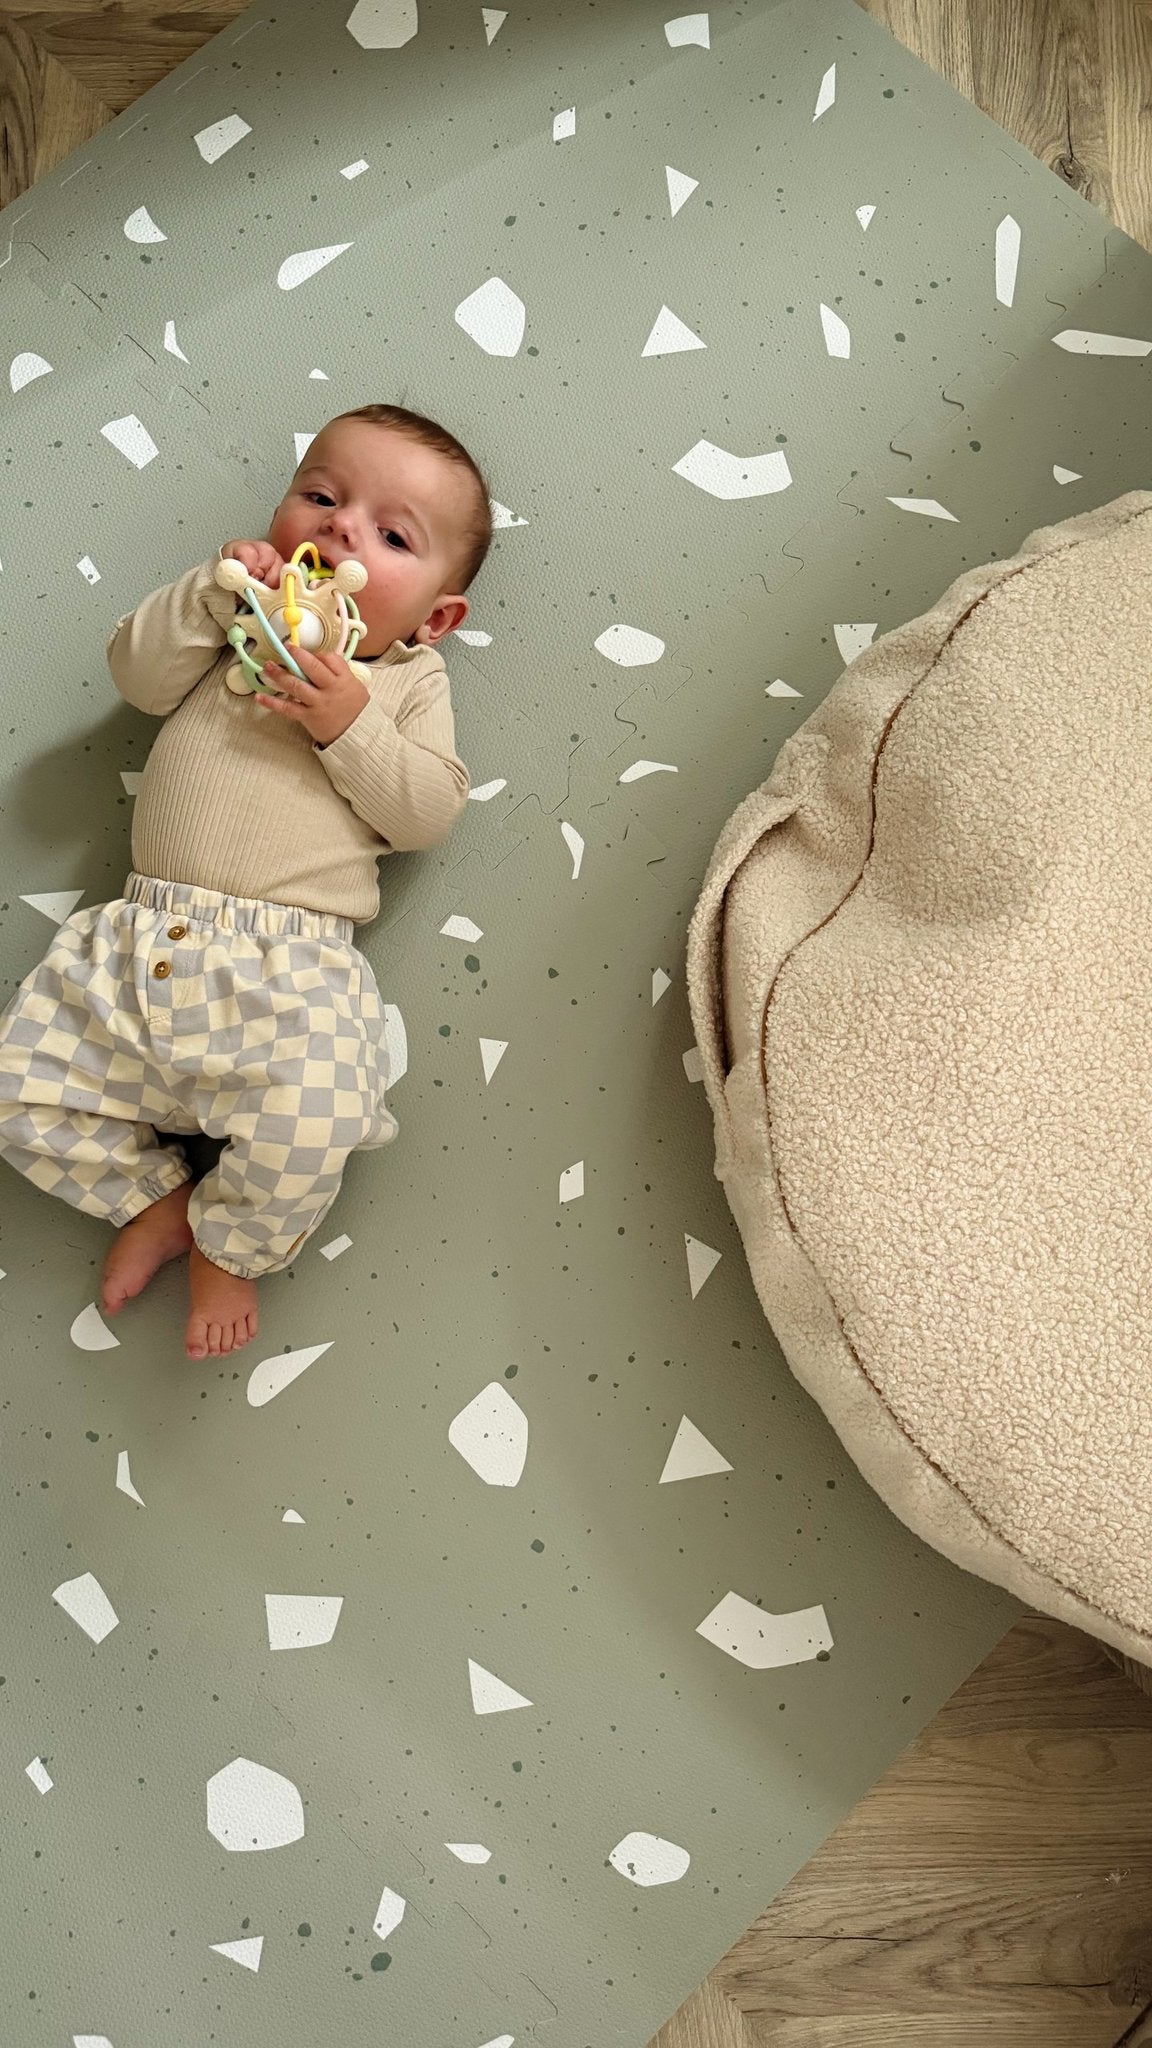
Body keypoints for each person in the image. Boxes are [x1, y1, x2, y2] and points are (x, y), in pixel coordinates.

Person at [0, 404, 491, 1361]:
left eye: (393, 537)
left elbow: (428, 812)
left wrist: (347, 720)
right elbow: (137, 676)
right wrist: (210, 595)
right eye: (322, 497)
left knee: (320, 1119)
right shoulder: (232, 620)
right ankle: (155, 1200)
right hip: (142, 945)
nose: (341, 531)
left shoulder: (406, 679)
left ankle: (230, 1246)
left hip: (289, 978)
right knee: (18, 1087)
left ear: (434, 616)